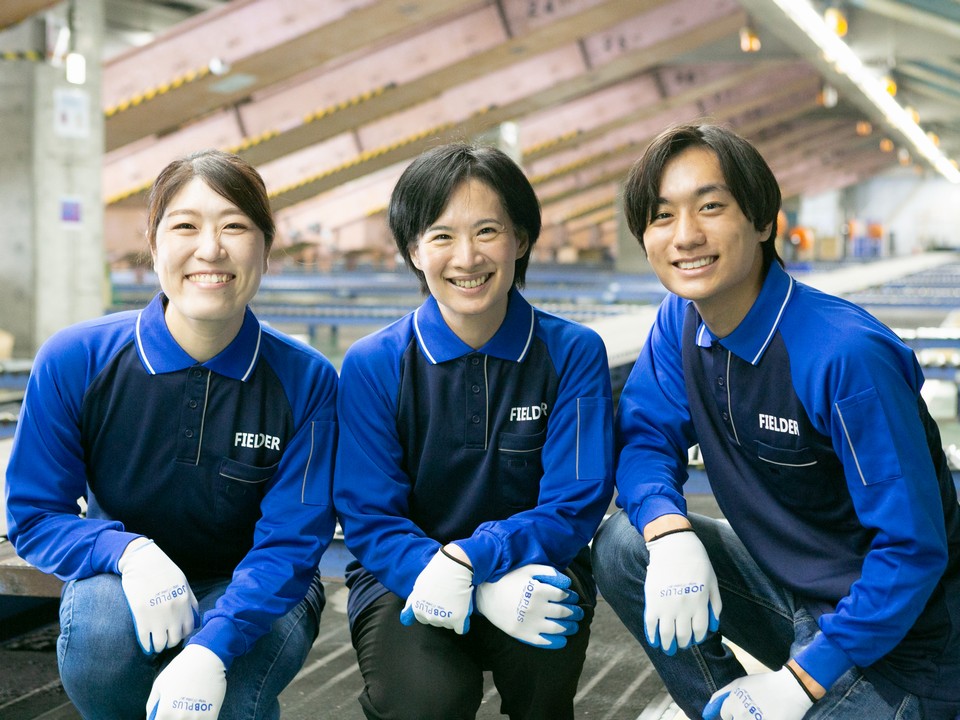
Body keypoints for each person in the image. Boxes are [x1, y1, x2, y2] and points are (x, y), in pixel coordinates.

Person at [591, 123, 960, 720]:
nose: (686, 235)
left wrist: (799, 684)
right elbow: (644, 433)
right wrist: (668, 529)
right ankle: (724, 708)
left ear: (764, 222)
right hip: (789, 591)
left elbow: (912, 551)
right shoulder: (679, 323)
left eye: (710, 207)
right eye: (662, 216)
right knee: (625, 545)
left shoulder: (844, 357)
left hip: (905, 650)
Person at [5, 149, 339, 720]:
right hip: (120, 582)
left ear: (265, 245)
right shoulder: (77, 359)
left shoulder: (307, 380)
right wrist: (126, 552)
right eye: (185, 226)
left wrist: (212, 647)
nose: (210, 249)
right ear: (154, 245)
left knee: (229, 698)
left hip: (262, 587)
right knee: (104, 642)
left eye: (234, 226)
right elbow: (35, 514)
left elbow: (292, 542)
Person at [332, 142, 614, 719]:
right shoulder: (374, 363)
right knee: (426, 702)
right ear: (413, 250)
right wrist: (452, 574)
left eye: (487, 231)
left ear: (522, 240)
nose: (466, 257)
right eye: (440, 236)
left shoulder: (573, 353)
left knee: (544, 670)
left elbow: (574, 503)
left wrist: (475, 559)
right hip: (401, 576)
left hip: (536, 563)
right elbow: (369, 515)